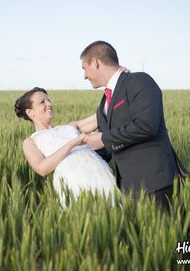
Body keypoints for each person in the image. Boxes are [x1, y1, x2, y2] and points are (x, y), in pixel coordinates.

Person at [82, 41, 177, 210]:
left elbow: (146, 125)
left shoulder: (139, 81)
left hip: (154, 183)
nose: (84, 76)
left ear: (95, 62)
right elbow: (108, 145)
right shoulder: (105, 100)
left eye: (84, 68)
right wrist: (75, 156)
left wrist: (103, 138)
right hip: (126, 187)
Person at [14, 87, 117, 208]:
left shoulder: (70, 127)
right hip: (72, 177)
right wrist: (73, 143)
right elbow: (42, 168)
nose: (49, 104)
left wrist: (116, 87)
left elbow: (101, 116)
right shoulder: (31, 141)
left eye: (48, 100)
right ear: (30, 112)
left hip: (98, 170)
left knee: (112, 208)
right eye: (42, 102)